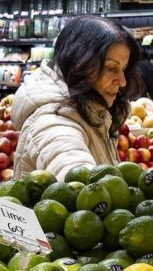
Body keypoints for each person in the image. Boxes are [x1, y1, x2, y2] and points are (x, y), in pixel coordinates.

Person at [11, 16, 142, 181]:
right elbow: (75, 175)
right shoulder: (52, 122)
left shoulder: (93, 109)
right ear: (79, 64)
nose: (122, 81)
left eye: (123, 68)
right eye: (110, 68)